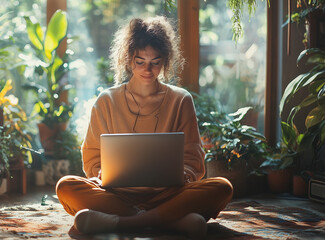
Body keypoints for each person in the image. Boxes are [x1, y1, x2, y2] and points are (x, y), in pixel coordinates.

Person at [55, 16, 233, 238]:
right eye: (140, 62)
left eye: (155, 62)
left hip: (170, 194)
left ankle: (125, 222)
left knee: (222, 187)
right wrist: (100, 172)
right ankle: (171, 221)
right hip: (117, 195)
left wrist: (184, 175)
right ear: (129, 59)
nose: (148, 70)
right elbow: (92, 157)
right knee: (66, 186)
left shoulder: (180, 100)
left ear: (165, 60)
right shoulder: (106, 101)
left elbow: (194, 160)